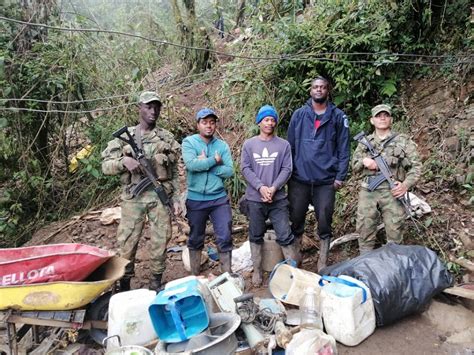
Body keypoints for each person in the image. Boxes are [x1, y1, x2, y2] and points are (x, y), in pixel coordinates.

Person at [101, 91, 181, 291]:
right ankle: (124, 282)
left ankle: (156, 281)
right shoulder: (125, 137)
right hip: (133, 197)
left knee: (161, 239)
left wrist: (177, 198)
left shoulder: (166, 138)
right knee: (127, 242)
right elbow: (105, 166)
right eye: (148, 106)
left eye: (156, 107)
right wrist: (123, 162)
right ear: (139, 108)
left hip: (160, 195)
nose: (153, 111)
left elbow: (175, 172)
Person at [287, 76, 350, 271]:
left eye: (322, 87)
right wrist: (288, 172)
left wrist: (340, 176)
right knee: (296, 218)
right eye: (315, 87)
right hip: (299, 178)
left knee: (325, 218)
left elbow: (344, 148)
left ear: (328, 91)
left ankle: (322, 260)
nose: (319, 90)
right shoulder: (299, 115)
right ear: (310, 91)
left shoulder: (338, 117)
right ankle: (295, 260)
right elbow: (290, 145)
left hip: (326, 180)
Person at [241, 105, 299, 286]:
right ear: (259, 122)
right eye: (266, 119)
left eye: (273, 120)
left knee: (285, 234)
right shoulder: (249, 145)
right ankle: (257, 270)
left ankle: (293, 273)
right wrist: (260, 187)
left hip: (278, 199)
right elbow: (245, 168)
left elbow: (287, 168)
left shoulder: (283, 145)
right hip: (255, 198)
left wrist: (273, 188)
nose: (270, 123)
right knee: (255, 234)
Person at [352, 104, 422, 254]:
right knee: (365, 230)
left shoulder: (403, 141)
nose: (382, 118)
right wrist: (365, 161)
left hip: (393, 191)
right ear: (372, 120)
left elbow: (416, 167)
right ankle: (365, 265)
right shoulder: (365, 142)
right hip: (368, 191)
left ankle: (394, 268)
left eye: (386, 115)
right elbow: (354, 166)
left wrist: (405, 185)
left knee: (395, 231)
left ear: (391, 119)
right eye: (378, 115)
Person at [182, 108, 234, 275]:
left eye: (212, 122)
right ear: (198, 125)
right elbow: (191, 165)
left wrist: (207, 165)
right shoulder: (189, 142)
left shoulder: (221, 145)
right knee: (196, 237)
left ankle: (227, 274)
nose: (209, 126)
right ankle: (195, 275)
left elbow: (229, 171)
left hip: (218, 198)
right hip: (196, 199)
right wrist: (215, 161)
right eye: (204, 122)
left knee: (225, 235)